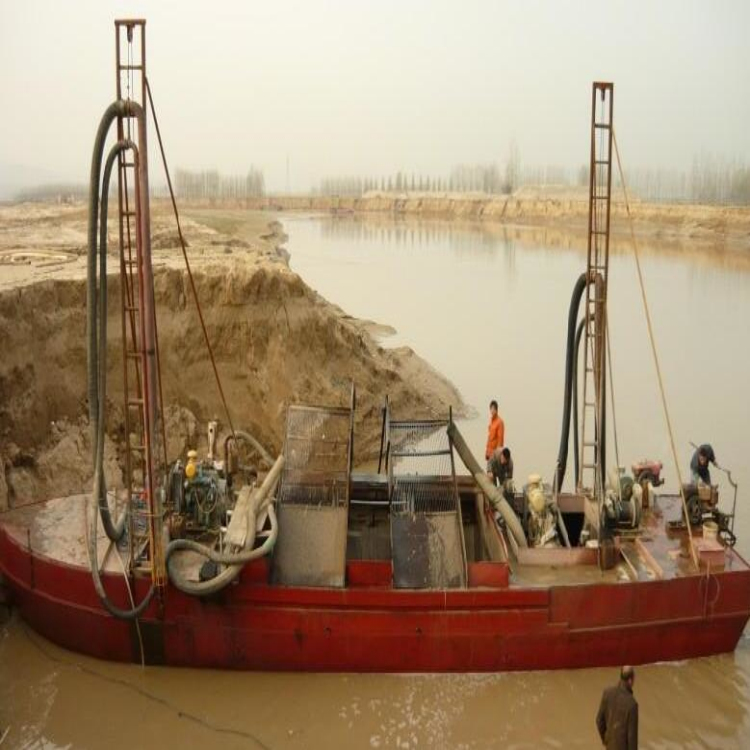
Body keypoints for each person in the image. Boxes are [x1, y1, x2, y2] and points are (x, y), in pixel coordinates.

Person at [596, 666, 638, 750]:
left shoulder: (607, 693)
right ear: (630, 681)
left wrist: (605, 740)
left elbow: (599, 720)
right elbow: (632, 739)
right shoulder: (632, 705)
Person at [485, 400, 505, 470]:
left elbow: (500, 440)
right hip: (490, 454)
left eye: (493, 409)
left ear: (496, 410)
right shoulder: (491, 422)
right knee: (490, 476)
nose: (492, 411)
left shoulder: (500, 422)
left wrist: (498, 455)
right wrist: (487, 453)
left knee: (498, 475)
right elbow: (489, 439)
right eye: (491, 409)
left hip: (495, 455)